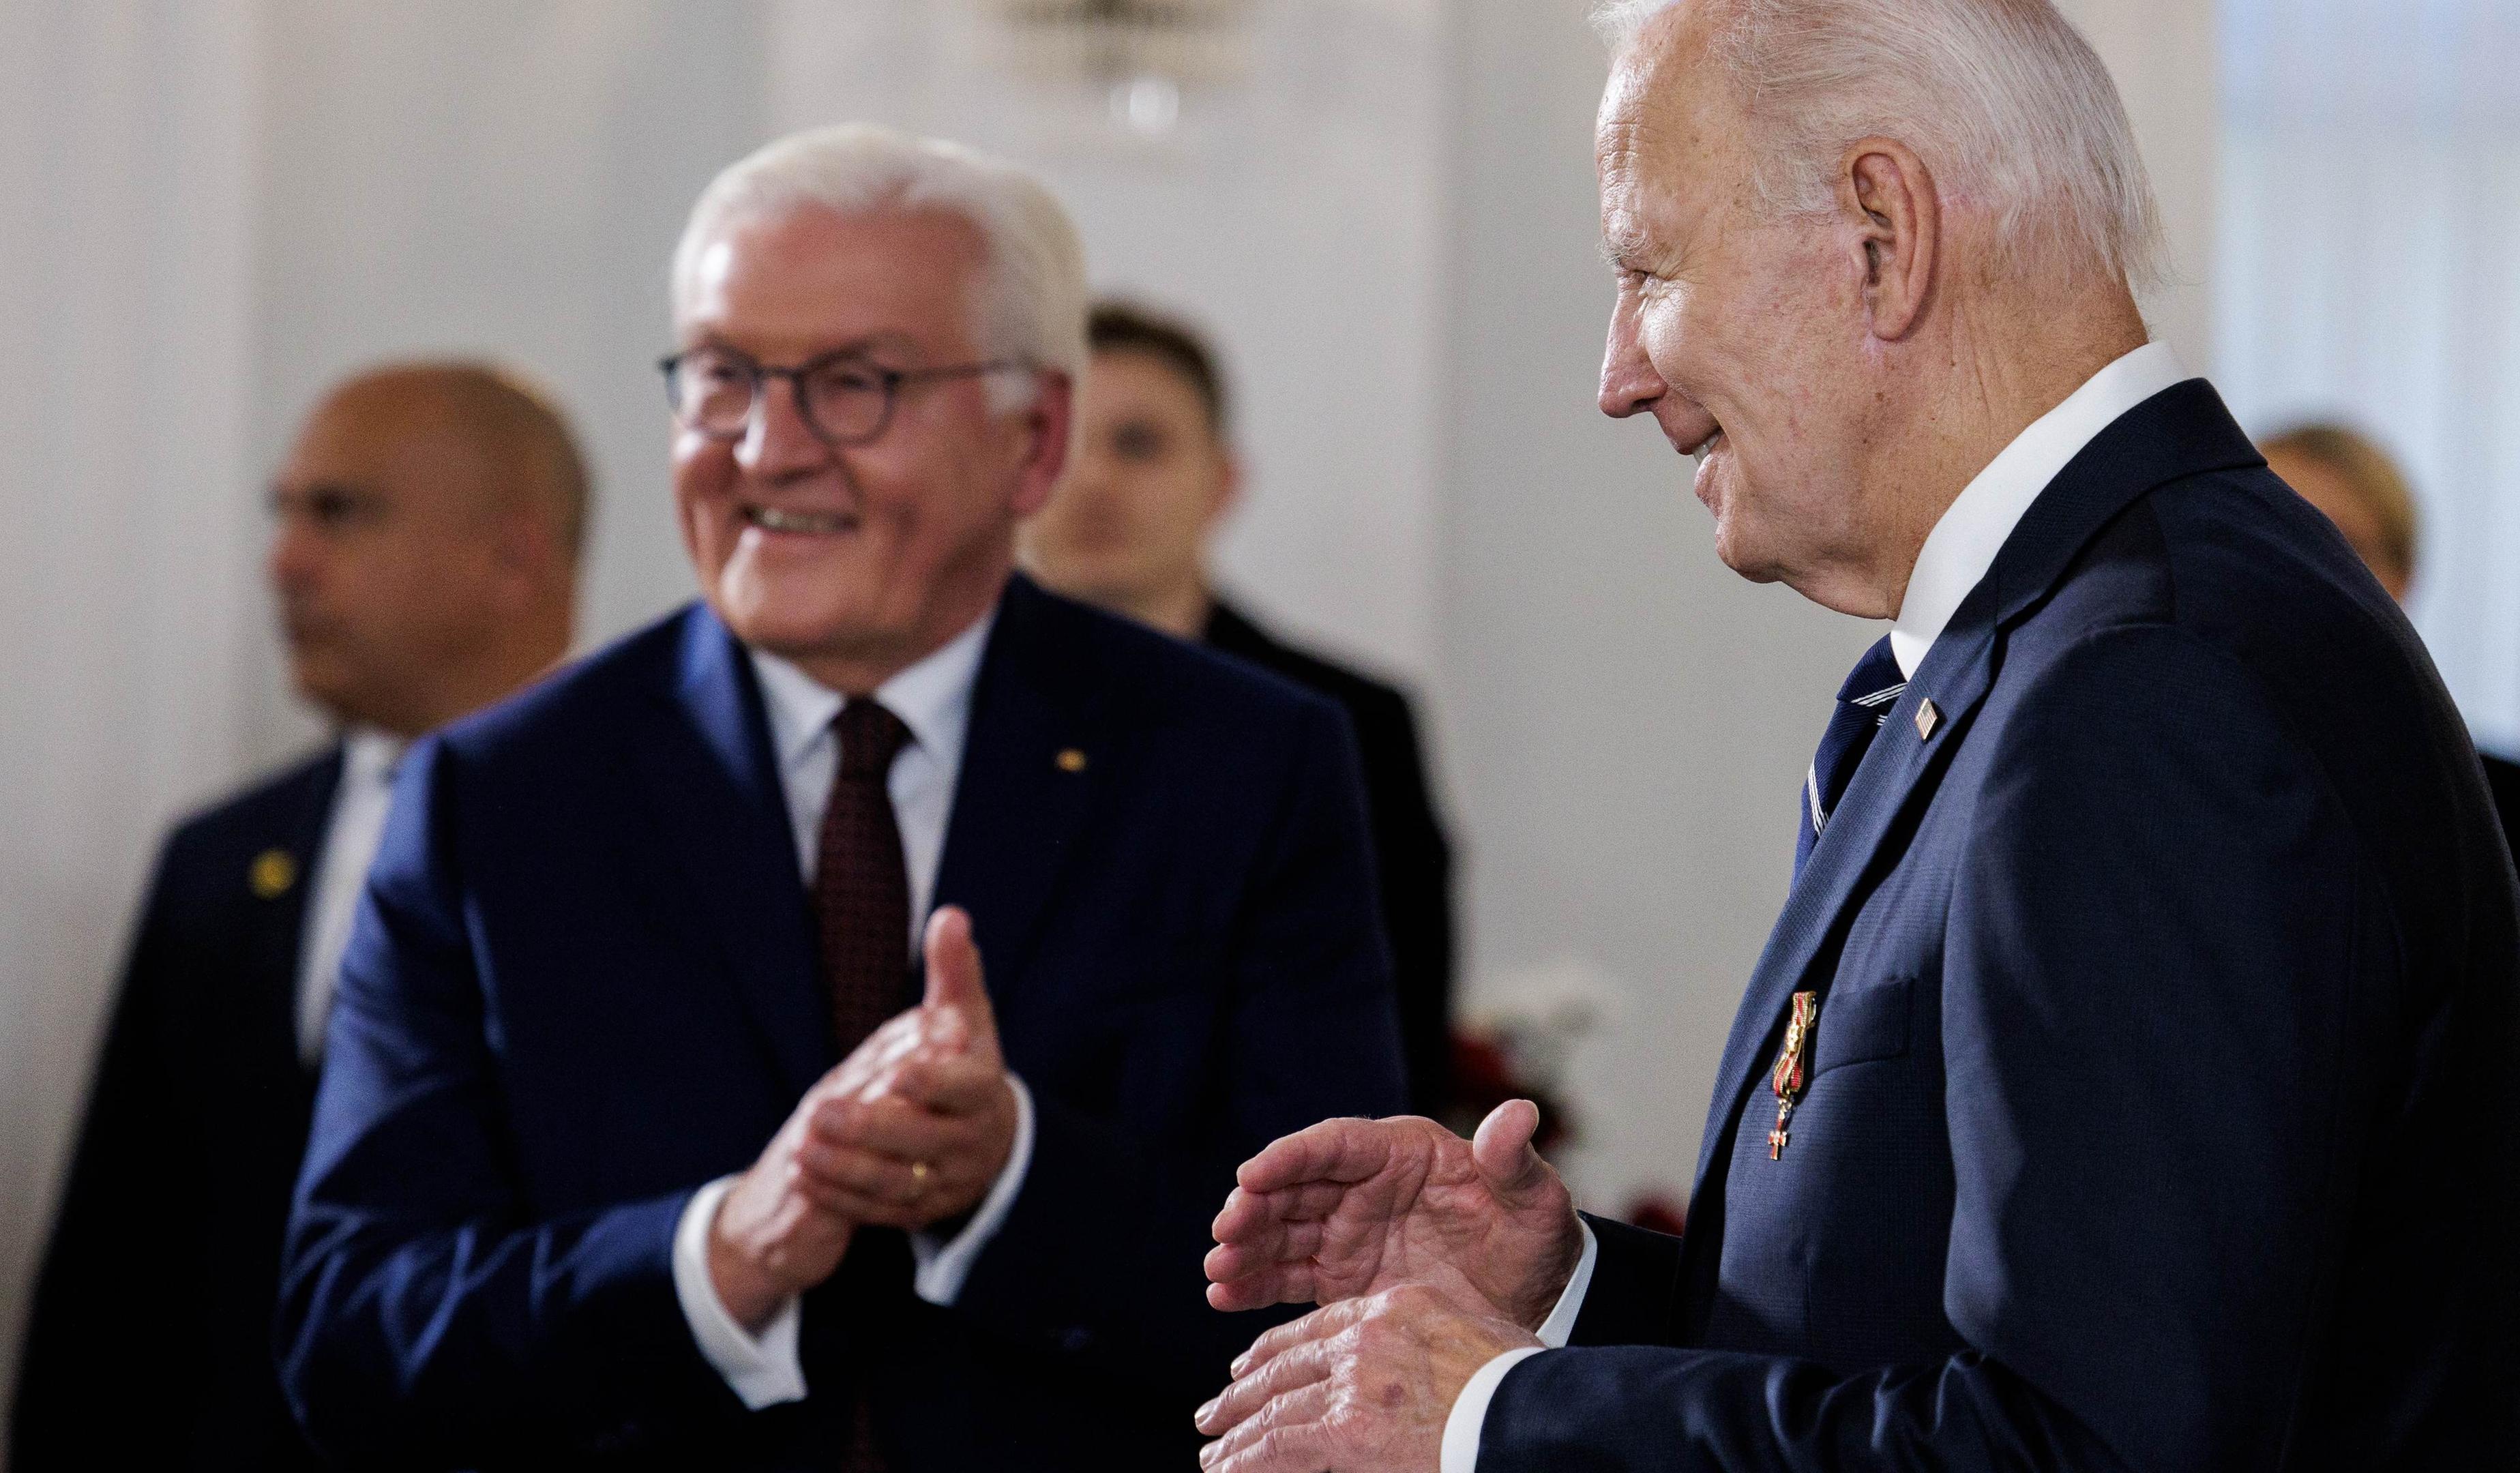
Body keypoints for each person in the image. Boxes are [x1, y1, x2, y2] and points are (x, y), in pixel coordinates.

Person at [1194, 1, 2520, 1469]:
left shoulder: (2150, 682)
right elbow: (1928, 1330)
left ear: (1882, 235)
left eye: (1648, 270)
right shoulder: (2070, 638)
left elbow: (2087, 1450)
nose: (1619, 377)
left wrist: (1493, 1418)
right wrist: (1566, 1301)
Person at [274, 125, 1405, 1472]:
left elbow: (1340, 1302)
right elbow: (350, 1333)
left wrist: (1013, 1182)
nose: (767, 449)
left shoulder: (1244, 767)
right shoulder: (500, 796)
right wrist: (721, 1255)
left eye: (855, 383)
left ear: (1033, 440)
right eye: (722, 376)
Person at [11, 361, 587, 1470]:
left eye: (340, 512)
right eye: (282, 512)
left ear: (512, 556)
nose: (285, 561)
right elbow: (111, 1279)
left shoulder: (669, 841)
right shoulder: (220, 863)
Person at [1022, 301, 1457, 1114]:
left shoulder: (1353, 722)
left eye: (1138, 444)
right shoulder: (941, 712)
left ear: (1222, 482)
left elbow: (1400, 1039)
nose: (1093, 479)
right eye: (1060, 445)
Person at [2264, 420, 2520, 1187]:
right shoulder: (2172, 780)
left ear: (2402, 579)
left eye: (2337, 537)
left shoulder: (2495, 795)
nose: (2295, 564)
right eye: (2269, 525)